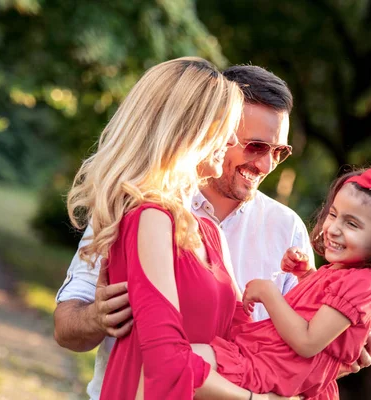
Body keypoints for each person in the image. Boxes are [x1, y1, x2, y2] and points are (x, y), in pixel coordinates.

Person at [53, 64, 371, 399]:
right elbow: (74, 329)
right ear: (204, 126)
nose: (267, 165)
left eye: (279, 152)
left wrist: (339, 346)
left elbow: (276, 352)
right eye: (255, 146)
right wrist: (98, 318)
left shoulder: (283, 230)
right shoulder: (140, 212)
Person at [65, 56, 282, 399]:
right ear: (188, 130)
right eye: (225, 128)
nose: (230, 142)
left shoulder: (208, 231)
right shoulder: (148, 217)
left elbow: (246, 345)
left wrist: (333, 325)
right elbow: (165, 362)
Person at [192, 167, 371, 399]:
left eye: (351, 224)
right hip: (270, 361)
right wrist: (306, 275)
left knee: (180, 364)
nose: (334, 229)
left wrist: (268, 293)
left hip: (274, 371)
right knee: (181, 361)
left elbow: (307, 342)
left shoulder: (365, 284)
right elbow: (317, 311)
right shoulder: (344, 273)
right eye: (333, 214)